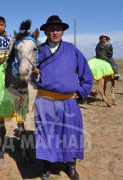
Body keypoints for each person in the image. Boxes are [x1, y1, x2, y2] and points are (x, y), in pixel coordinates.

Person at [32, 15, 93, 180]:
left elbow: (86, 73)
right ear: (45, 31)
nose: (55, 32)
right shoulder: (38, 51)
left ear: (62, 31)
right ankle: (46, 166)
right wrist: (34, 75)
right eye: (51, 29)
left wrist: (80, 92)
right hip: (45, 101)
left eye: (58, 29)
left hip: (68, 101)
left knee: (71, 134)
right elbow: (29, 77)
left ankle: (70, 165)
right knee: (46, 134)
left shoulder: (72, 49)